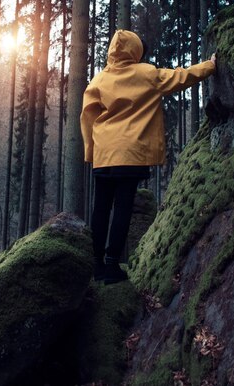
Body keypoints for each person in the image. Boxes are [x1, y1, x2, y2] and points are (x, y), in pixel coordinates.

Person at [80, 29, 216, 284]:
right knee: (122, 207)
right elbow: (181, 77)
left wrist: (91, 151)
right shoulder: (147, 74)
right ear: (135, 50)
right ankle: (112, 266)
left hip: (105, 155)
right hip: (130, 154)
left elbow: (87, 116)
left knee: (100, 209)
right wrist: (209, 66)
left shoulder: (99, 80)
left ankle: (95, 264)